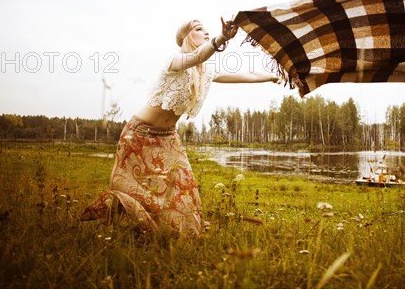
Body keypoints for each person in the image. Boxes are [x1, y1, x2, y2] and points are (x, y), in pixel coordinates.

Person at [80, 18, 279, 235]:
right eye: (198, 29)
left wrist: (272, 77)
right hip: (139, 134)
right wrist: (222, 38)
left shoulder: (205, 73)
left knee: (182, 186)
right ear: (185, 36)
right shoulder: (175, 62)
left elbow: (245, 75)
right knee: (133, 187)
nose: (205, 32)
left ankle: (175, 232)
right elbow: (197, 56)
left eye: (206, 30)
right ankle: (129, 227)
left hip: (168, 137)